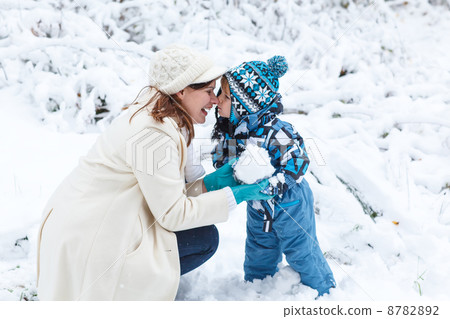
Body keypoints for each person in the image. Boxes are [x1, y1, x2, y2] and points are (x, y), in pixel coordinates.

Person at [36, 44, 273, 301]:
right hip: (90, 242)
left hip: (94, 225)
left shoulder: (158, 116)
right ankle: (127, 294)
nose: (215, 100)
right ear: (181, 90)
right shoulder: (153, 135)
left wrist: (209, 185)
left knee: (201, 234)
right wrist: (233, 196)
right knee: (204, 238)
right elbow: (172, 214)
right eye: (208, 91)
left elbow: (163, 194)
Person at [211, 56, 336, 297]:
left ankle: (324, 292)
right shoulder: (233, 134)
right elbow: (222, 163)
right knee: (258, 252)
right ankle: (257, 290)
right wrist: (228, 167)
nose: (218, 100)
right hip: (258, 208)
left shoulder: (275, 131)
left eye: (225, 97)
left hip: (291, 204)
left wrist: (274, 184)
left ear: (245, 104)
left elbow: (298, 161)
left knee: (302, 251)